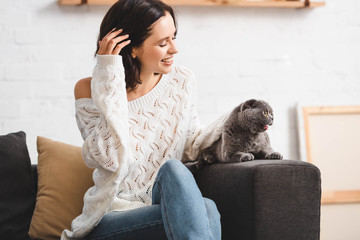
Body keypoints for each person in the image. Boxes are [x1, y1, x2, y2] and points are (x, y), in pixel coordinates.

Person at [61, 0, 229, 239]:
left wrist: (241, 126)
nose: (174, 49)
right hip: (109, 220)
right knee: (207, 210)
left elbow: (192, 142)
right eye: (163, 43)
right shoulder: (89, 89)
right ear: (132, 49)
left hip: (163, 205)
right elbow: (108, 157)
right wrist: (109, 75)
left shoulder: (182, 82)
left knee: (177, 173)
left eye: (174, 37)